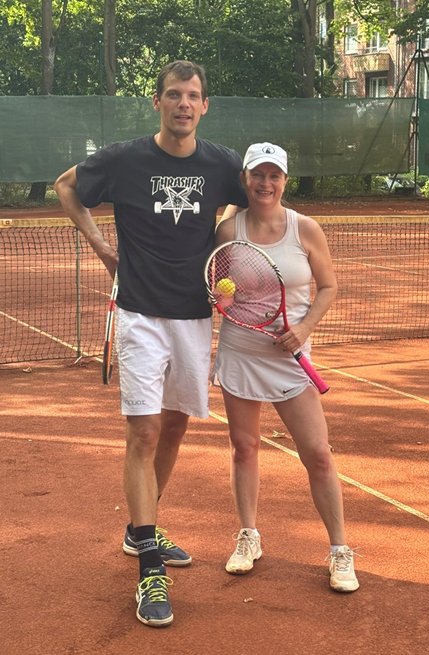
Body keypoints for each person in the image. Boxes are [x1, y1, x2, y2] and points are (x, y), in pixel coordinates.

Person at [54, 60, 247, 627]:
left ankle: (140, 528)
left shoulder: (222, 164)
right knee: (144, 431)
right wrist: (100, 246)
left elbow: (249, 198)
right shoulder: (126, 158)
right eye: (174, 95)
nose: (183, 104)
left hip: (194, 316)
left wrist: (221, 239)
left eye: (192, 96)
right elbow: (67, 187)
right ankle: (150, 567)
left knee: (176, 425)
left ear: (205, 106)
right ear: (157, 102)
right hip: (139, 313)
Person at [212, 142, 359, 593]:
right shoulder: (228, 229)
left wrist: (304, 328)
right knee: (244, 447)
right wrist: (224, 300)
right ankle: (249, 535)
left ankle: (340, 550)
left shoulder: (305, 228)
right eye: (258, 174)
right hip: (241, 350)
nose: (265, 183)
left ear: (285, 181)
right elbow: (224, 286)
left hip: (291, 357)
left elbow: (328, 286)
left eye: (274, 175)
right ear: (245, 179)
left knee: (318, 453)